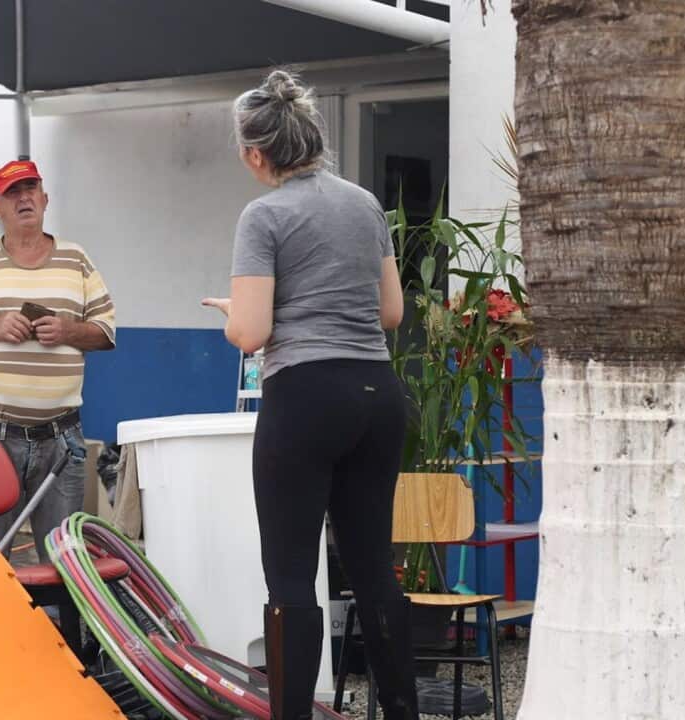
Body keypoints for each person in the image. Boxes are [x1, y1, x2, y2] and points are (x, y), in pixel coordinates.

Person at [202, 70, 416, 719]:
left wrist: (231, 311)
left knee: (293, 576)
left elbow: (253, 332)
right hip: (378, 395)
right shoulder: (363, 203)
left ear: (256, 153)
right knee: (373, 568)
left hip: (305, 396)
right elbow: (391, 312)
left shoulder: (263, 214)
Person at [0, 159, 116, 562]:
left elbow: (106, 333)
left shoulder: (76, 259)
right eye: (12, 192)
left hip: (62, 437)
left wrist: (67, 331)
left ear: (45, 198)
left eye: (31, 188)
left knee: (65, 565)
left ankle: (61, 629)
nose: (24, 197)